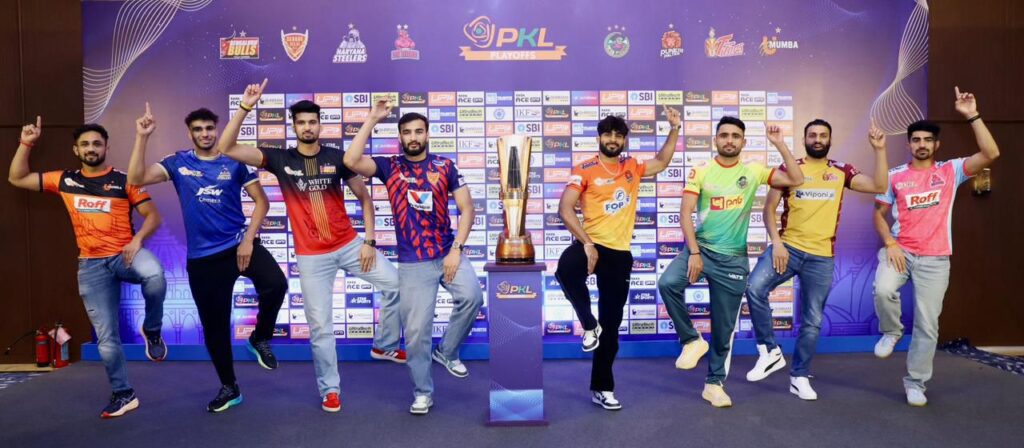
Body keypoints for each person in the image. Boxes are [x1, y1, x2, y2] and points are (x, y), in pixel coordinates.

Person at [219, 80, 404, 412]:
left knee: (396, 285)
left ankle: (384, 344)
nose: (307, 127)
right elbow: (227, 147)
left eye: (312, 122)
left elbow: (365, 199)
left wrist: (369, 240)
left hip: (349, 245)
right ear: (294, 127)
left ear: (320, 125)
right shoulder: (279, 159)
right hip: (312, 258)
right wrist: (245, 107)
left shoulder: (338, 157)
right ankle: (330, 389)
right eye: (301, 122)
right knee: (321, 328)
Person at [126, 105, 288, 412]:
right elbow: (135, 178)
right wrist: (142, 136)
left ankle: (259, 337)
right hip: (203, 259)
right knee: (215, 328)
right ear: (190, 134)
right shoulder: (177, 162)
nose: (205, 134)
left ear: (217, 130)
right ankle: (229, 387)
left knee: (276, 284)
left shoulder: (235, 160)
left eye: (209, 128)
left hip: (239, 245)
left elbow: (262, 202)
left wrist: (248, 240)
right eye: (198, 129)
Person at [8, 113, 167, 418]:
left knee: (155, 274)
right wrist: (26, 144)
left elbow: (153, 216)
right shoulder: (64, 179)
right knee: (106, 338)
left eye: (97, 143)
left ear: (106, 147)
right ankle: (124, 393)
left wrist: (137, 240)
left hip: (125, 255)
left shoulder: (125, 180)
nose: (91, 148)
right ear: (76, 150)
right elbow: (17, 178)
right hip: (91, 266)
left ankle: (152, 329)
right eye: (85, 144)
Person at [343, 100, 483, 415]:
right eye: (407, 132)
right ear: (400, 137)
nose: (413, 137)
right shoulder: (389, 166)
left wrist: (456, 249)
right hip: (413, 262)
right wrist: (371, 119)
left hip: (447, 252)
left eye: (419, 131)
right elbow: (351, 160)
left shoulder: (445, 166)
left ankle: (447, 351)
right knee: (417, 334)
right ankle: (423, 393)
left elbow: (467, 209)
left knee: (472, 297)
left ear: (428, 134)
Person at [657, 116, 805, 408]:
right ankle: (691, 340)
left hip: (733, 261)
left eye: (735, 136)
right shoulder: (701, 170)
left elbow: (796, 179)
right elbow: (685, 212)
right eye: (724, 135)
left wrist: (779, 144)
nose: (729, 140)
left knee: (723, 329)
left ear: (743, 142)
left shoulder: (753, 171)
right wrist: (694, 253)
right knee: (668, 283)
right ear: (715, 140)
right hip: (701, 250)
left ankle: (714, 384)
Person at [743, 118, 889, 400]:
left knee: (812, 321)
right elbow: (769, 209)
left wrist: (879, 149)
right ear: (804, 139)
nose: (818, 139)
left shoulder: (841, 171)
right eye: (813, 135)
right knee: (755, 287)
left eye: (823, 135)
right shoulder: (790, 168)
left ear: (830, 140)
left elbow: (879, 185)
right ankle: (770, 351)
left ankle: (799, 377)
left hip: (822, 257)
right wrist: (777, 243)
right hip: (788, 249)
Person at [872, 87, 999, 406]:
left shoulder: (950, 170)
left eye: (928, 140)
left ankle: (915, 383)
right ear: (908, 144)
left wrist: (972, 115)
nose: (922, 144)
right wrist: (890, 243)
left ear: (936, 145)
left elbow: (991, 154)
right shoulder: (894, 176)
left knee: (928, 325)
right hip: (900, 251)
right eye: (916, 140)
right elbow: (878, 214)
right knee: (883, 290)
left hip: (935, 259)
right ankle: (892, 331)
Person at [555, 108, 681, 410]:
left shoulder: (632, 166)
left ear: (624, 140)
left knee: (611, 325)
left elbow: (662, 161)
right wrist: (587, 243)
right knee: (565, 271)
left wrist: (675, 128)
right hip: (591, 244)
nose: (613, 139)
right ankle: (589, 325)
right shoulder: (584, 168)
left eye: (619, 135)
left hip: (619, 253)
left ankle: (602, 388)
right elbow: (565, 208)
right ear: (599, 137)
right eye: (608, 134)